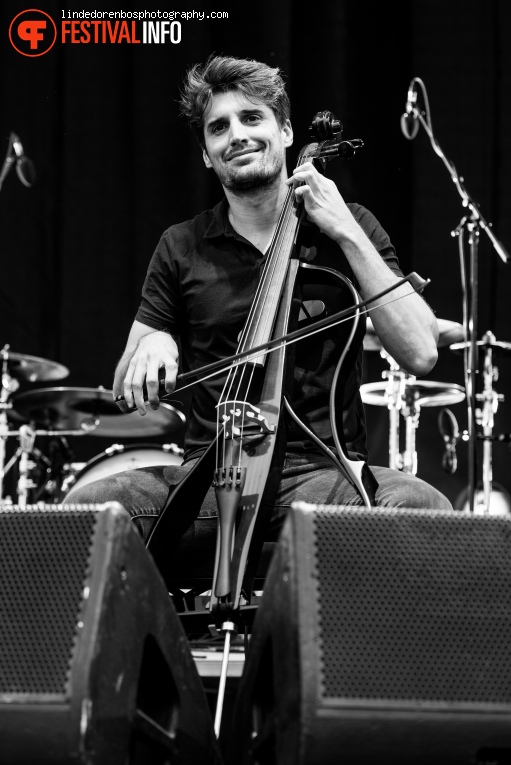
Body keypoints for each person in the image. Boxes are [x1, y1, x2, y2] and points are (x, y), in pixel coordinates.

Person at [67, 55, 451, 553]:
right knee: (81, 513)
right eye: (219, 128)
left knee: (423, 509)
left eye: (252, 119)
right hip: (209, 474)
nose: (237, 136)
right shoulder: (182, 245)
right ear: (207, 154)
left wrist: (346, 232)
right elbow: (126, 385)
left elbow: (421, 352)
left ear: (287, 131)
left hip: (321, 472)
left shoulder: (349, 226)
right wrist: (155, 341)